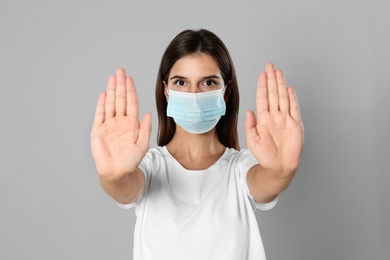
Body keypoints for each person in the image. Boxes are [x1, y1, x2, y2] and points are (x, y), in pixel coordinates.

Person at [91, 29, 304, 260]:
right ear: (166, 90)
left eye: (208, 82)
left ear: (226, 91)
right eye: (181, 82)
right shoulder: (149, 168)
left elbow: (269, 180)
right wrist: (112, 175)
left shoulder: (240, 169)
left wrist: (282, 169)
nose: (193, 94)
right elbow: (125, 187)